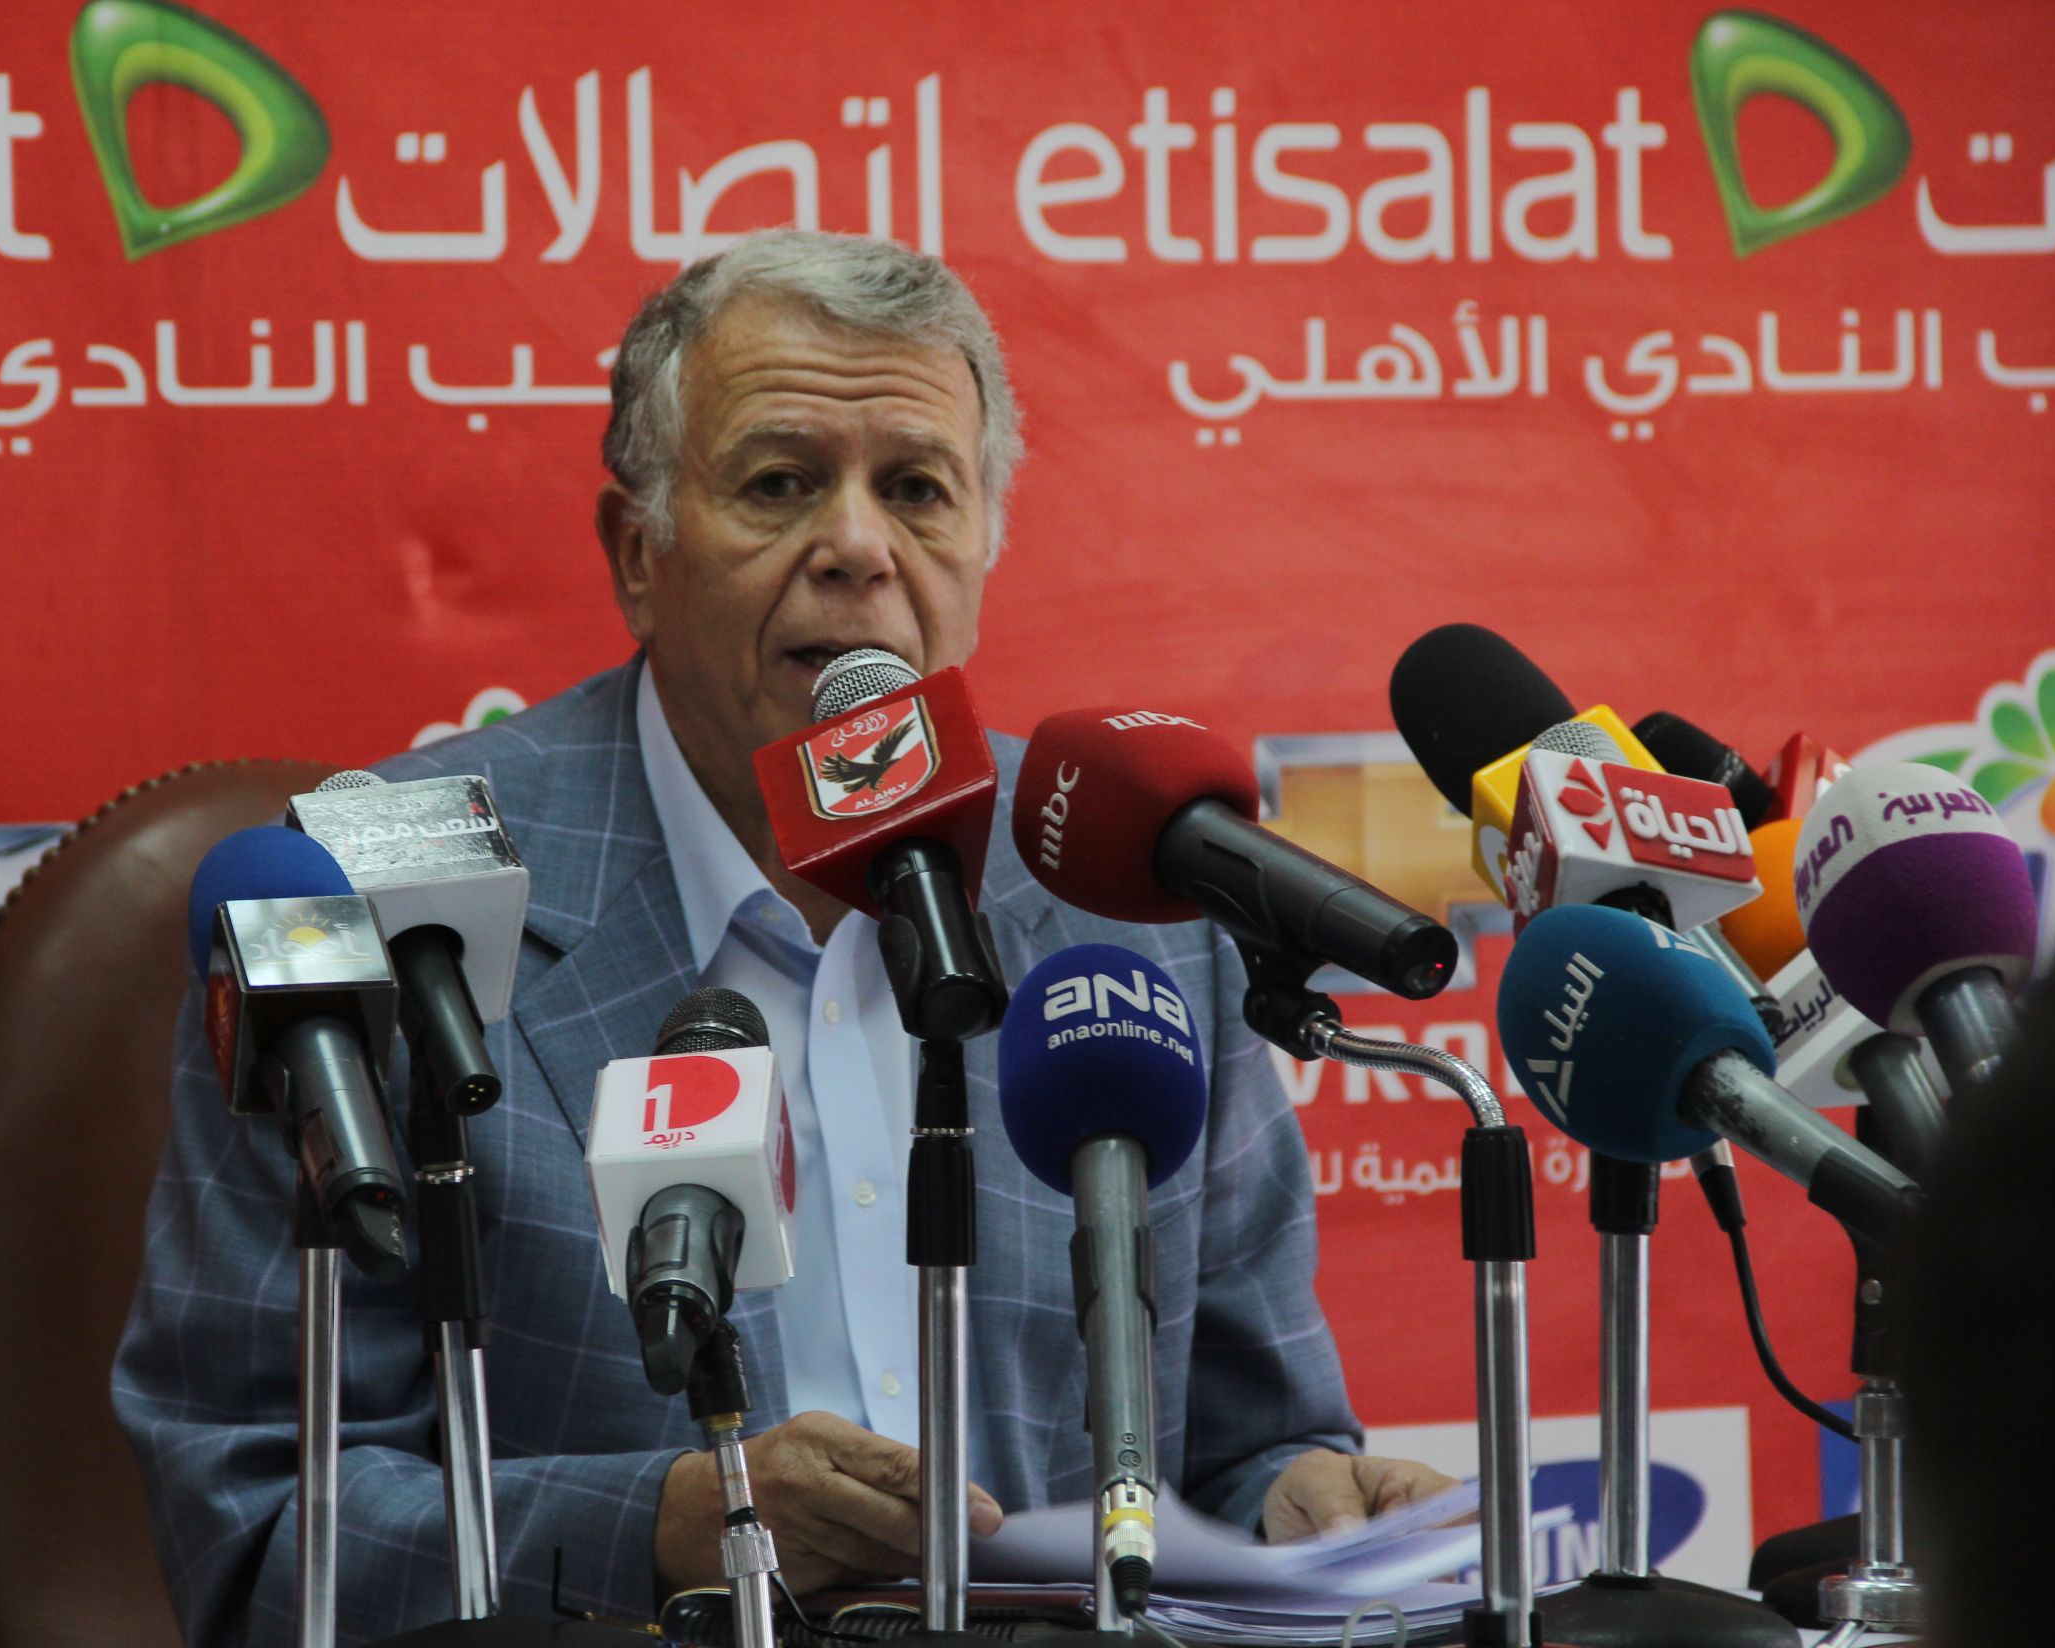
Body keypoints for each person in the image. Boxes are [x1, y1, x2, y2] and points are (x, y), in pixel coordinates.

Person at [114, 229, 1450, 1644]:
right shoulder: (366, 907)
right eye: (780, 484)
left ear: (981, 548)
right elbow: (255, 1522)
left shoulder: (1131, 895)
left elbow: (1249, 1442)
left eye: (917, 490)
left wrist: (1304, 1504)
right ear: (638, 555)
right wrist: (657, 1528)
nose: (860, 549)